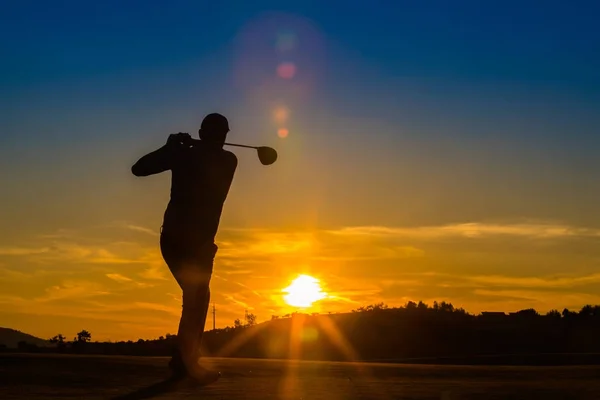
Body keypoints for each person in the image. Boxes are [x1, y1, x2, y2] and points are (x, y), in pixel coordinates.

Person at [131, 113, 238, 384]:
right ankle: (186, 362)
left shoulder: (222, 160)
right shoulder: (200, 156)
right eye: (219, 135)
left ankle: (184, 361)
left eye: (221, 135)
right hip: (187, 241)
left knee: (196, 297)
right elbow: (138, 169)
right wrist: (172, 150)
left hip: (189, 241)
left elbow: (142, 168)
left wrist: (171, 149)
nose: (221, 140)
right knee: (197, 297)